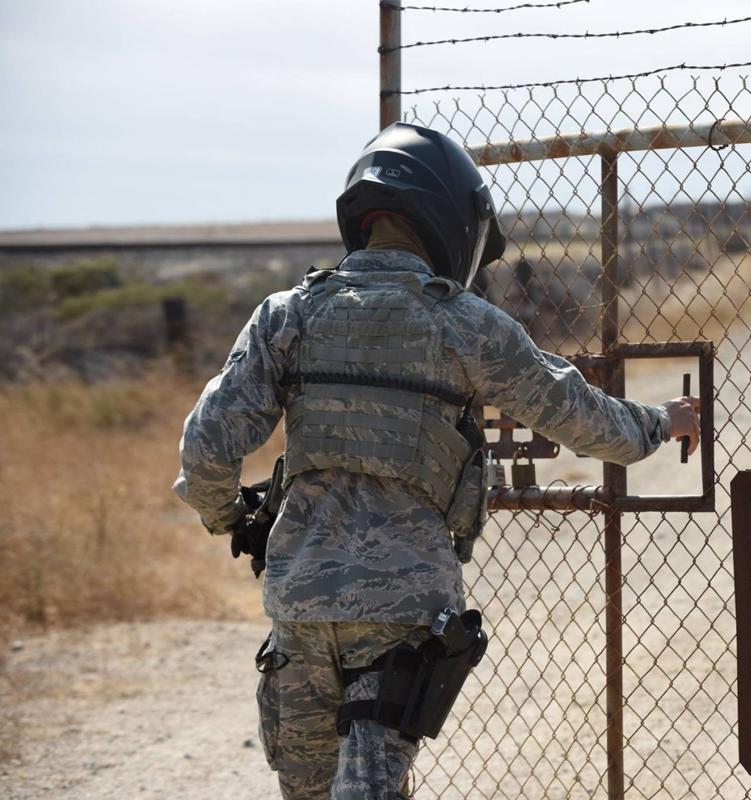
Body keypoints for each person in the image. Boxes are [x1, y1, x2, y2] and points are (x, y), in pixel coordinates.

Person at [172, 122, 701, 800]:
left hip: (299, 601)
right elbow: (581, 418)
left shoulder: (288, 314)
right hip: (401, 607)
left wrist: (231, 518)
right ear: (449, 217)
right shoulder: (464, 323)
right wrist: (661, 422)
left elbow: (206, 446)